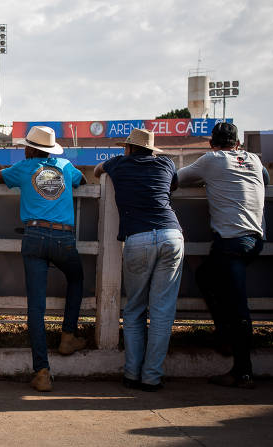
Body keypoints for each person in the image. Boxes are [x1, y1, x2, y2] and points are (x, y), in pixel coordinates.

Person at [0, 126, 86, 392]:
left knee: (36, 307)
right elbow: (81, 181)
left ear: (30, 149)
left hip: (33, 236)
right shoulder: (65, 165)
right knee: (77, 278)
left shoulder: (23, 167)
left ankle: (42, 371)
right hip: (63, 238)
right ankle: (68, 335)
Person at [178, 122, 268, 389]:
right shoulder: (254, 159)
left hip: (230, 243)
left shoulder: (211, 160)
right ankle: (225, 335)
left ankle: (242, 371)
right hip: (255, 240)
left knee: (237, 306)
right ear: (238, 143)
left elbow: (176, 179)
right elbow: (265, 179)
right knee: (207, 276)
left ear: (212, 143)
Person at [94, 128, 183, 392]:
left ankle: (132, 374)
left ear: (129, 148)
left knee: (134, 309)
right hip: (171, 235)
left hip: (138, 238)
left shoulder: (118, 164)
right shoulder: (166, 163)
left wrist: (112, 165)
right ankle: (152, 376)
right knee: (162, 312)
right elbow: (173, 184)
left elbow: (98, 171)